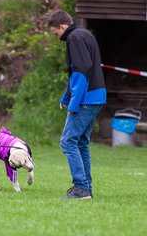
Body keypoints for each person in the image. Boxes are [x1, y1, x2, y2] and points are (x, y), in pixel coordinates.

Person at [48, 10, 106, 199]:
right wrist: (66, 96)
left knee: (68, 141)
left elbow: (82, 71)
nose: (57, 38)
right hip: (97, 96)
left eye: (56, 33)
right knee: (81, 143)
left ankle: (81, 188)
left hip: (86, 99)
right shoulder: (85, 34)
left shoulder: (74, 38)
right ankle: (86, 188)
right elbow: (78, 71)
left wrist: (74, 103)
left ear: (63, 27)